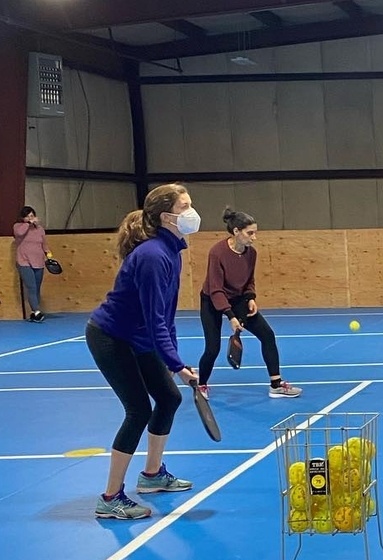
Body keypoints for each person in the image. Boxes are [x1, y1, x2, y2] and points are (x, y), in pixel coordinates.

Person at [85, 184, 201, 520]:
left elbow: (167, 316)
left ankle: (151, 477)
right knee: (137, 410)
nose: (192, 212)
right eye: (186, 206)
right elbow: (154, 322)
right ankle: (110, 497)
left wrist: (175, 360)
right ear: (167, 216)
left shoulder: (172, 251)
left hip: (138, 338)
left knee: (168, 398)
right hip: (111, 337)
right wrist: (177, 365)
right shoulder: (152, 256)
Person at [197, 207, 301, 398]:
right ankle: (201, 385)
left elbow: (249, 281)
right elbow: (216, 289)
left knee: (267, 335)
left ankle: (276, 384)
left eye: (255, 233)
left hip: (238, 299)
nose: (254, 237)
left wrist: (251, 297)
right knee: (213, 348)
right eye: (250, 233)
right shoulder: (217, 253)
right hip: (212, 300)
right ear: (236, 231)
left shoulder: (251, 253)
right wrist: (230, 316)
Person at [12, 206, 50, 322]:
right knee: (31, 287)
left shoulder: (40, 229)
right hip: (24, 262)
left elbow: (44, 244)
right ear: (23, 218)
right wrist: (28, 223)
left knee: (37, 288)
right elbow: (20, 233)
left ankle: (34, 312)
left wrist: (48, 254)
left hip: (38, 261)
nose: (30, 218)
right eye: (27, 216)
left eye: (32, 215)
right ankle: (37, 311)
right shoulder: (18, 226)